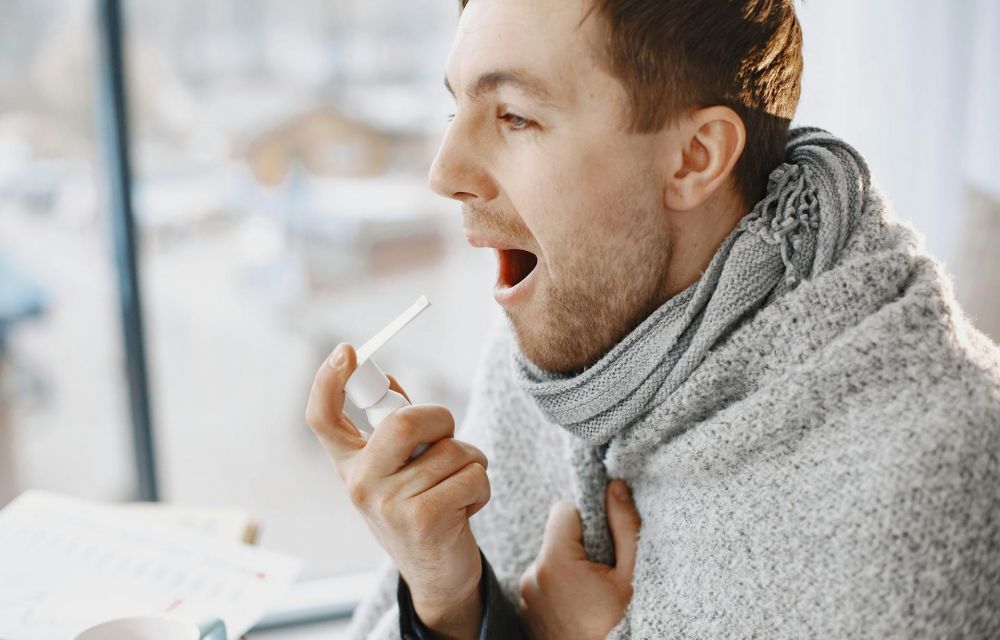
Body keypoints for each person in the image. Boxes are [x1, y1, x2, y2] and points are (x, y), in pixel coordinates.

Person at [305, 0, 1000, 637]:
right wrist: (448, 599)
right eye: (454, 109)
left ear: (695, 158)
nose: (444, 172)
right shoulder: (557, 333)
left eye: (514, 116)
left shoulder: (927, 479)